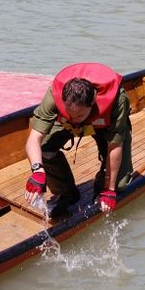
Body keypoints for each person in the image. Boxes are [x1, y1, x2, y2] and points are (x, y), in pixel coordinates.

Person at [24, 62, 133, 218]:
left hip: (104, 124)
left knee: (119, 184)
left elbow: (114, 146)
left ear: (93, 103)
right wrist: (37, 171)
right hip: (64, 125)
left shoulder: (118, 101)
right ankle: (67, 193)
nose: (75, 119)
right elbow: (34, 138)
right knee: (44, 150)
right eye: (70, 113)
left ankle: (100, 185)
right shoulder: (53, 96)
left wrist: (109, 189)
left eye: (79, 115)